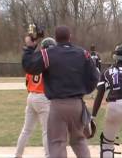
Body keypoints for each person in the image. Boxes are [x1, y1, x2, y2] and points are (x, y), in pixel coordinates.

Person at [22, 25, 99, 158]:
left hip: (57, 105)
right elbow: (95, 77)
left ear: (56, 39)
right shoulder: (82, 53)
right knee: (79, 141)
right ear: (70, 37)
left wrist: (30, 47)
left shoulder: (48, 54)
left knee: (57, 143)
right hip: (77, 104)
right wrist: (85, 90)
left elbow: (29, 66)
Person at [15, 37, 57, 158]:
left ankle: (17, 155)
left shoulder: (33, 62)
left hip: (31, 96)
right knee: (46, 131)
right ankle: (49, 156)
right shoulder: (50, 62)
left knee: (26, 130)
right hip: (43, 98)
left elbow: (27, 83)